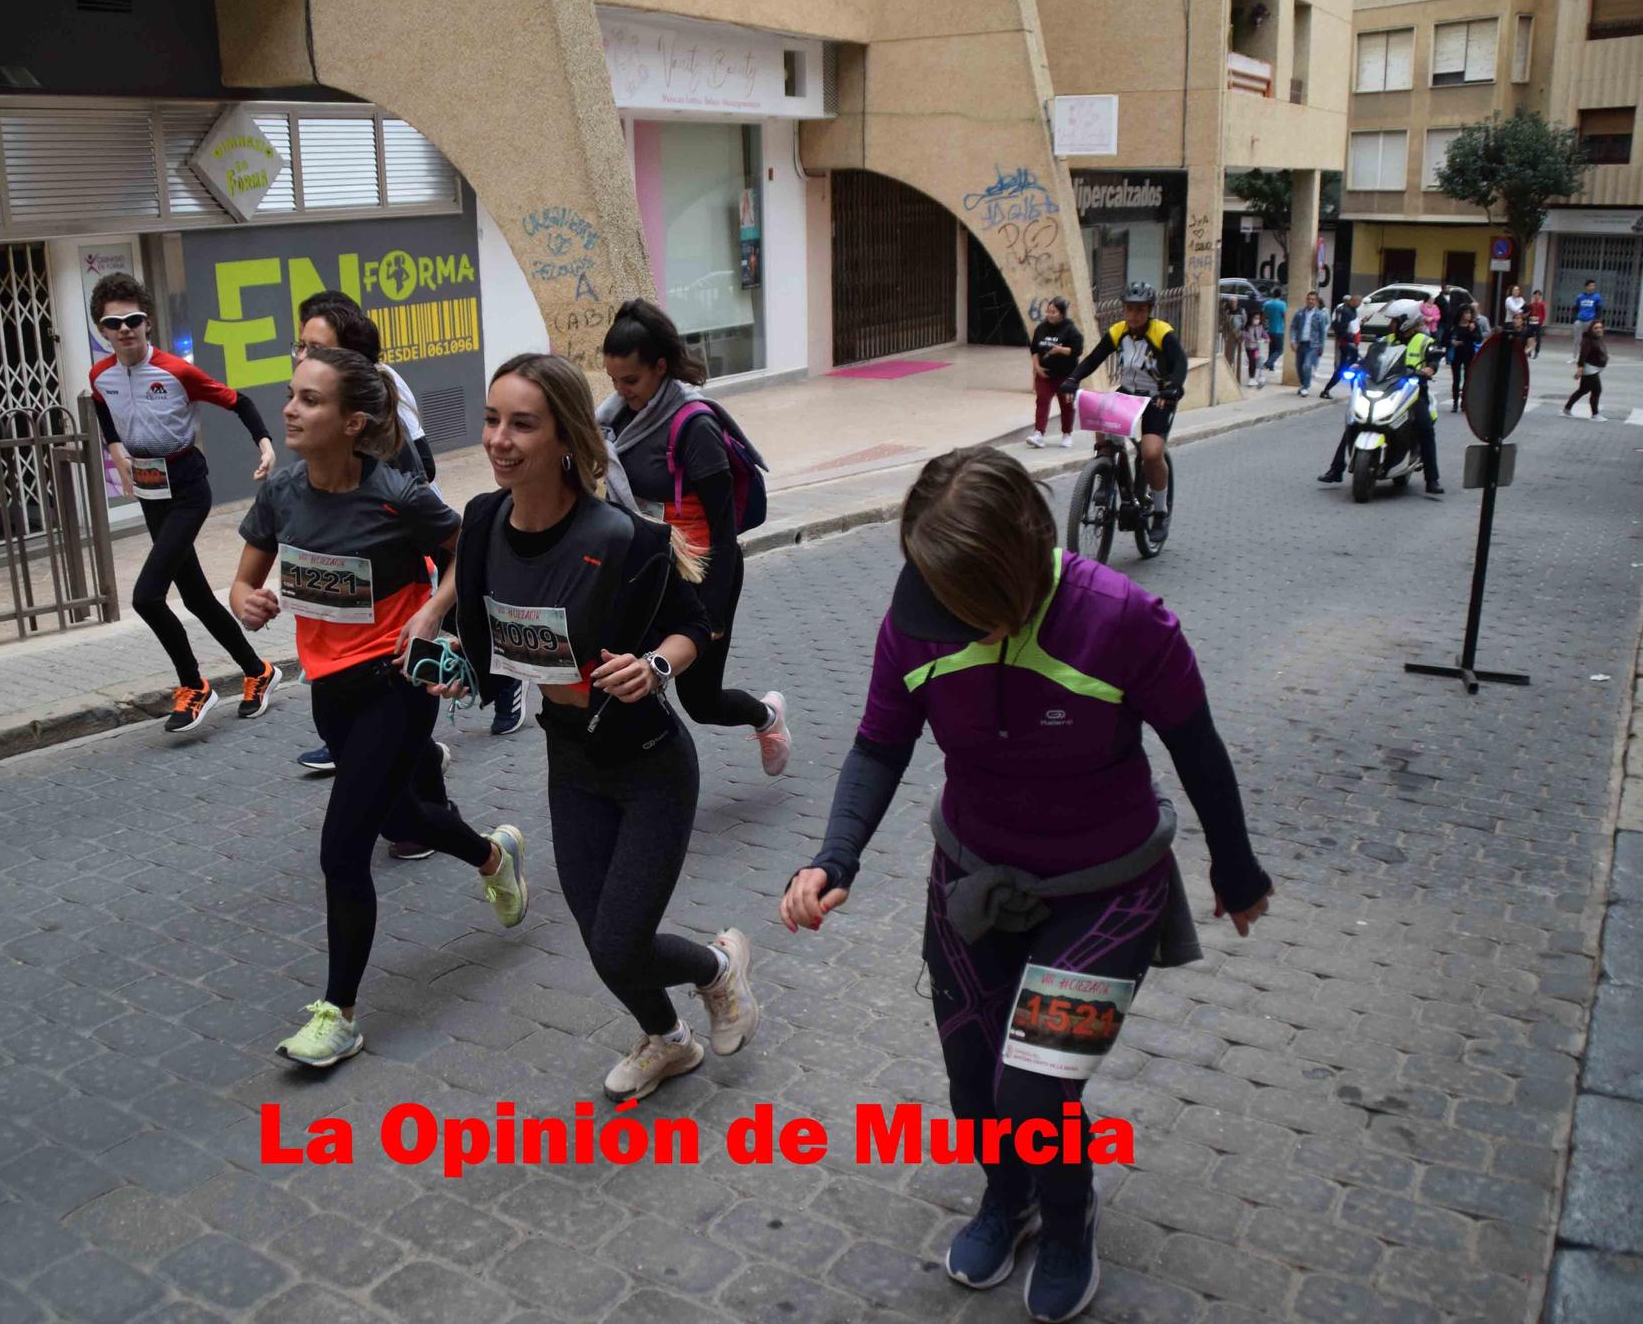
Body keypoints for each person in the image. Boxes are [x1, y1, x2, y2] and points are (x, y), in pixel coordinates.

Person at [780, 447, 1272, 1321]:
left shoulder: (1124, 620)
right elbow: (879, 745)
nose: (938, 618)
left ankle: (1072, 1214)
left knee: (1034, 1086)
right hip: (971, 873)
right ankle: (1010, 1198)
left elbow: (1198, 748)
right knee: (975, 1083)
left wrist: (1234, 870)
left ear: (1014, 580)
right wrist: (833, 855)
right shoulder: (916, 626)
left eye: (960, 602)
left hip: (1107, 885)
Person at [421, 353, 760, 1101]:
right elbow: (488, 631)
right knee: (600, 940)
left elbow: (695, 627)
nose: (498, 439)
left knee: (618, 937)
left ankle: (716, 966)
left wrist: (656, 667)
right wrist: (455, 659)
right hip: (569, 758)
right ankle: (669, 1039)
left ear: (566, 436)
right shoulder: (481, 521)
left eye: (521, 424)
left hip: (649, 763)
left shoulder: (622, 537)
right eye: (491, 419)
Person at [230, 346, 529, 1067]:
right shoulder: (284, 492)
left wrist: (429, 612)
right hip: (330, 687)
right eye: (291, 396)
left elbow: (468, 550)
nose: (291, 410)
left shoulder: (397, 494)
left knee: (343, 845)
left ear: (352, 420)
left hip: (398, 679)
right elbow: (243, 579)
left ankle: (340, 1013)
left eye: (309, 400)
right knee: (399, 815)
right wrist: (247, 601)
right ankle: (494, 854)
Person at [282, 295, 461, 860]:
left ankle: (444, 821)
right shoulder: (305, 436)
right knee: (394, 769)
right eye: (301, 347)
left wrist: (430, 608)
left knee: (353, 836)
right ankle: (430, 800)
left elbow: (422, 493)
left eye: (319, 349)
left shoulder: (386, 439)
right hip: (335, 658)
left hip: (395, 630)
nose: (304, 358)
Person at [598, 300, 791, 776]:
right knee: (627, 675)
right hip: (645, 569)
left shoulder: (695, 426)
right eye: (614, 381)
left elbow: (724, 532)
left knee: (702, 701)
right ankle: (647, 781)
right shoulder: (617, 420)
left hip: (699, 571)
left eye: (632, 381)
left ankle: (767, 716)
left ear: (660, 367)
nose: (622, 392)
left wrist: (715, 610)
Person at [89, 273, 279, 734]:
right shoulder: (100, 376)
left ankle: (194, 685)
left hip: (189, 488)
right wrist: (115, 449)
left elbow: (240, 401)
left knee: (146, 597)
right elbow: (100, 407)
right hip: (153, 492)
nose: (125, 330)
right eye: (114, 323)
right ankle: (258, 671)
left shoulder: (177, 371)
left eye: (133, 319)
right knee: (193, 595)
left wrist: (266, 444)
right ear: (103, 330)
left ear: (147, 322)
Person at [1061, 282, 1186, 544]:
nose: (1133, 315)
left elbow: (1180, 363)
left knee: (1151, 453)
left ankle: (1160, 512)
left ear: (1149, 310)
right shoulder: (1118, 331)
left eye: (1139, 310)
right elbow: (1093, 359)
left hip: (1159, 396)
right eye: (1129, 309)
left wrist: (1172, 388)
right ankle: (1106, 477)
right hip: (1129, 392)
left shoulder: (1161, 332)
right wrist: (1073, 378)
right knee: (1101, 415)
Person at [1318, 300, 1443, 494]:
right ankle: (1336, 469)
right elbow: (1371, 358)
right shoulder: (1386, 340)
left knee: (1425, 427)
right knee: (1355, 420)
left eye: (1394, 320)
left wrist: (1429, 368)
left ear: (1406, 321)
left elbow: (1434, 358)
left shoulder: (1425, 341)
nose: (1391, 324)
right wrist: (1358, 366)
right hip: (1384, 388)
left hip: (1413, 391)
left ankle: (1432, 479)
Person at [1027, 298, 1085, 449]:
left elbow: (1077, 350)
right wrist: (1037, 366)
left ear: (1062, 314)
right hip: (1045, 374)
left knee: (1066, 405)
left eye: (1054, 312)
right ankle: (1038, 433)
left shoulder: (1070, 330)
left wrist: (1060, 350)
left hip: (1065, 375)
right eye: (1048, 311)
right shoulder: (1041, 328)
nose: (1050, 315)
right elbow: (1034, 349)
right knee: (1042, 401)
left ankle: (1067, 433)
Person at [1319, 293, 1362, 399]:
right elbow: (1342, 326)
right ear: (1353, 301)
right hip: (1348, 343)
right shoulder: (1346, 311)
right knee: (1349, 368)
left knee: (1348, 368)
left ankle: (1353, 392)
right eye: (1358, 302)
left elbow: (1351, 326)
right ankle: (1354, 392)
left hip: (1348, 342)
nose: (1359, 304)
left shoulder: (1349, 310)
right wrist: (1348, 337)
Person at [1564, 320, 1610, 420]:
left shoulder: (1598, 339)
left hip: (1594, 368)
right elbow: (1583, 355)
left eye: (1600, 327)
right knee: (1597, 390)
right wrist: (1580, 368)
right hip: (1590, 369)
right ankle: (1595, 414)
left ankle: (1567, 409)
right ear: (1591, 330)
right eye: (1596, 328)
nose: (1598, 330)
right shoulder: (1588, 340)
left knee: (1583, 390)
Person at [1445, 304, 1483, 413]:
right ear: (1461, 314)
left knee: (1468, 378)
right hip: (1456, 353)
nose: (1468, 315)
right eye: (1466, 313)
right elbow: (1444, 340)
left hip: (1469, 353)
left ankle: (1464, 402)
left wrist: (1472, 331)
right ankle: (1455, 402)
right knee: (1456, 379)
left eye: (1470, 313)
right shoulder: (1453, 326)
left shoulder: (1474, 325)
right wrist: (1452, 342)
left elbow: (1478, 339)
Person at [1291, 291, 1328, 396]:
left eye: (1312, 299)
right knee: (1299, 366)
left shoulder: (1320, 315)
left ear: (1316, 301)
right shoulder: (1300, 313)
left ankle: (1306, 386)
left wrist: (1321, 347)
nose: (1310, 301)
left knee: (1307, 365)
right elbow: (1294, 327)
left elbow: (1322, 332)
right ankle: (1302, 384)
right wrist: (1293, 340)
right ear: (1306, 300)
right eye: (1309, 299)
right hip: (1300, 343)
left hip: (1313, 345)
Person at [1261, 287, 1288, 380]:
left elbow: (1263, 316)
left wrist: (1263, 327)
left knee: (1272, 349)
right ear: (1280, 295)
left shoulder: (1267, 304)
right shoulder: (1282, 304)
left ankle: (1271, 366)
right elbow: (1285, 316)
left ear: (1273, 294)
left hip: (1270, 329)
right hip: (1279, 330)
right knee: (1280, 350)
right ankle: (1268, 363)